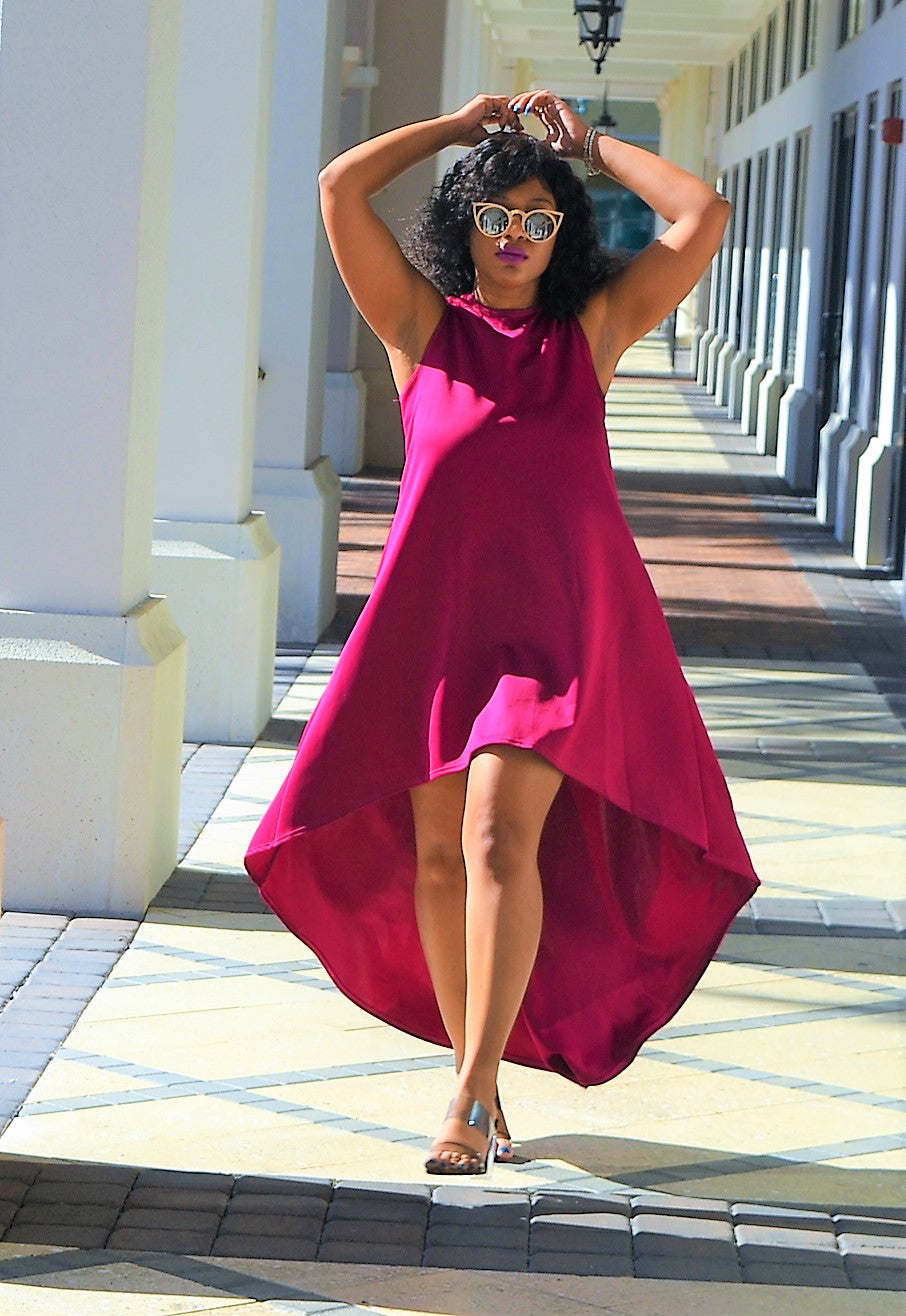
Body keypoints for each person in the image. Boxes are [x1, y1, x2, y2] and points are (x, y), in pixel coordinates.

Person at [245, 91, 759, 1176]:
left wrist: (590, 146)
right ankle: (472, 1071)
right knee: (439, 853)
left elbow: (703, 212)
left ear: (562, 236)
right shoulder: (421, 327)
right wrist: (453, 130)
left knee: (492, 836)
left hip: (555, 640)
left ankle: (472, 1095)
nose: (519, 236)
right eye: (498, 214)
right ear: (466, 225)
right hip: (437, 630)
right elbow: (339, 187)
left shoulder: (592, 333)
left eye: (541, 217)